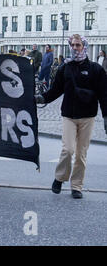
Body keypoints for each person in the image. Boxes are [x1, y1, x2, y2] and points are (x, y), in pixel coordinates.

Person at [35, 35, 107, 199]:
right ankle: (59, 178)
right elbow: (56, 90)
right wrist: (42, 98)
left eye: (78, 45)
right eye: (73, 45)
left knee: (81, 154)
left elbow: (104, 94)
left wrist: (106, 116)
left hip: (88, 117)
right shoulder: (65, 68)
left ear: (84, 46)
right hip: (68, 115)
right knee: (68, 150)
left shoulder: (96, 69)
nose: (75, 48)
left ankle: (77, 186)